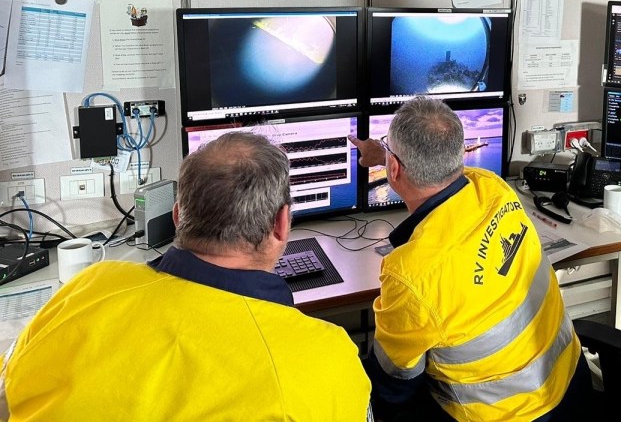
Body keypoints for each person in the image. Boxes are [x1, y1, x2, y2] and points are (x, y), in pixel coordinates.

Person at [0, 132, 372, 421]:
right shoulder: (326, 358)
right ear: (282, 223)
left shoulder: (88, 285)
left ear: (178, 215)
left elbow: (10, 381)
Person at [349, 97, 590, 422]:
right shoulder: (493, 188)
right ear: (460, 154)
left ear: (393, 169)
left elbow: (394, 385)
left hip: (503, 415)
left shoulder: (412, 273)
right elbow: (444, 168)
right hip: (571, 383)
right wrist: (386, 154)